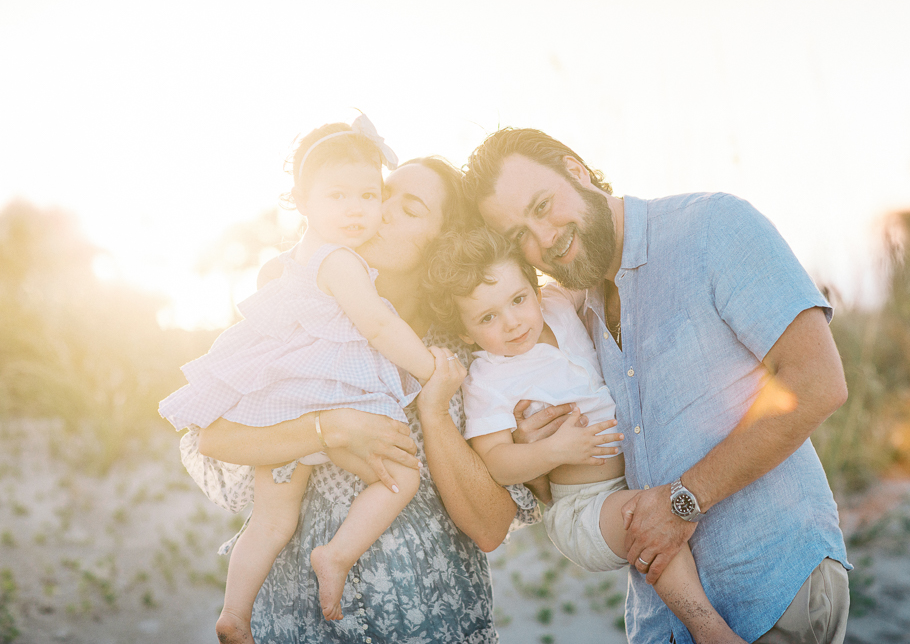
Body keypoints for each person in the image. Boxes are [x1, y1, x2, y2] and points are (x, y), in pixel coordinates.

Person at [462, 128, 852, 644]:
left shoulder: (712, 227)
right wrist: (542, 456)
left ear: (576, 169)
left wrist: (684, 500)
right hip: (660, 623)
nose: (544, 237)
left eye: (542, 204)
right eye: (519, 237)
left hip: (771, 586)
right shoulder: (568, 311)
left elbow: (818, 382)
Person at [184, 154, 568, 643]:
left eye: (411, 208)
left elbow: (491, 528)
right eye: (381, 194)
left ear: (442, 240)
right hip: (299, 624)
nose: (380, 211)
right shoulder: (304, 321)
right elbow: (215, 437)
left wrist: (434, 413)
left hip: (433, 622)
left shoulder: (468, 356)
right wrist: (331, 428)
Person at [162, 115, 453, 641]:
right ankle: (336, 556)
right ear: (302, 200)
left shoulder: (289, 262)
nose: (359, 210)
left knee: (272, 520)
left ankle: (235, 612)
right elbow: (379, 324)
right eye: (339, 196)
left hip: (278, 405)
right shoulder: (341, 261)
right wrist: (430, 369)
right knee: (400, 477)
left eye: (369, 195)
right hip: (324, 395)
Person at [423, 226, 747, 643]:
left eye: (518, 300)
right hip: (582, 509)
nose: (511, 323)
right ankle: (709, 630)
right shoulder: (488, 378)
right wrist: (556, 450)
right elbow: (498, 463)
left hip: (633, 478)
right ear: (466, 332)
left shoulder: (556, 306)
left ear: (534, 289)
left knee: (661, 510)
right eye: (487, 318)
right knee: (645, 518)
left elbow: (592, 266)